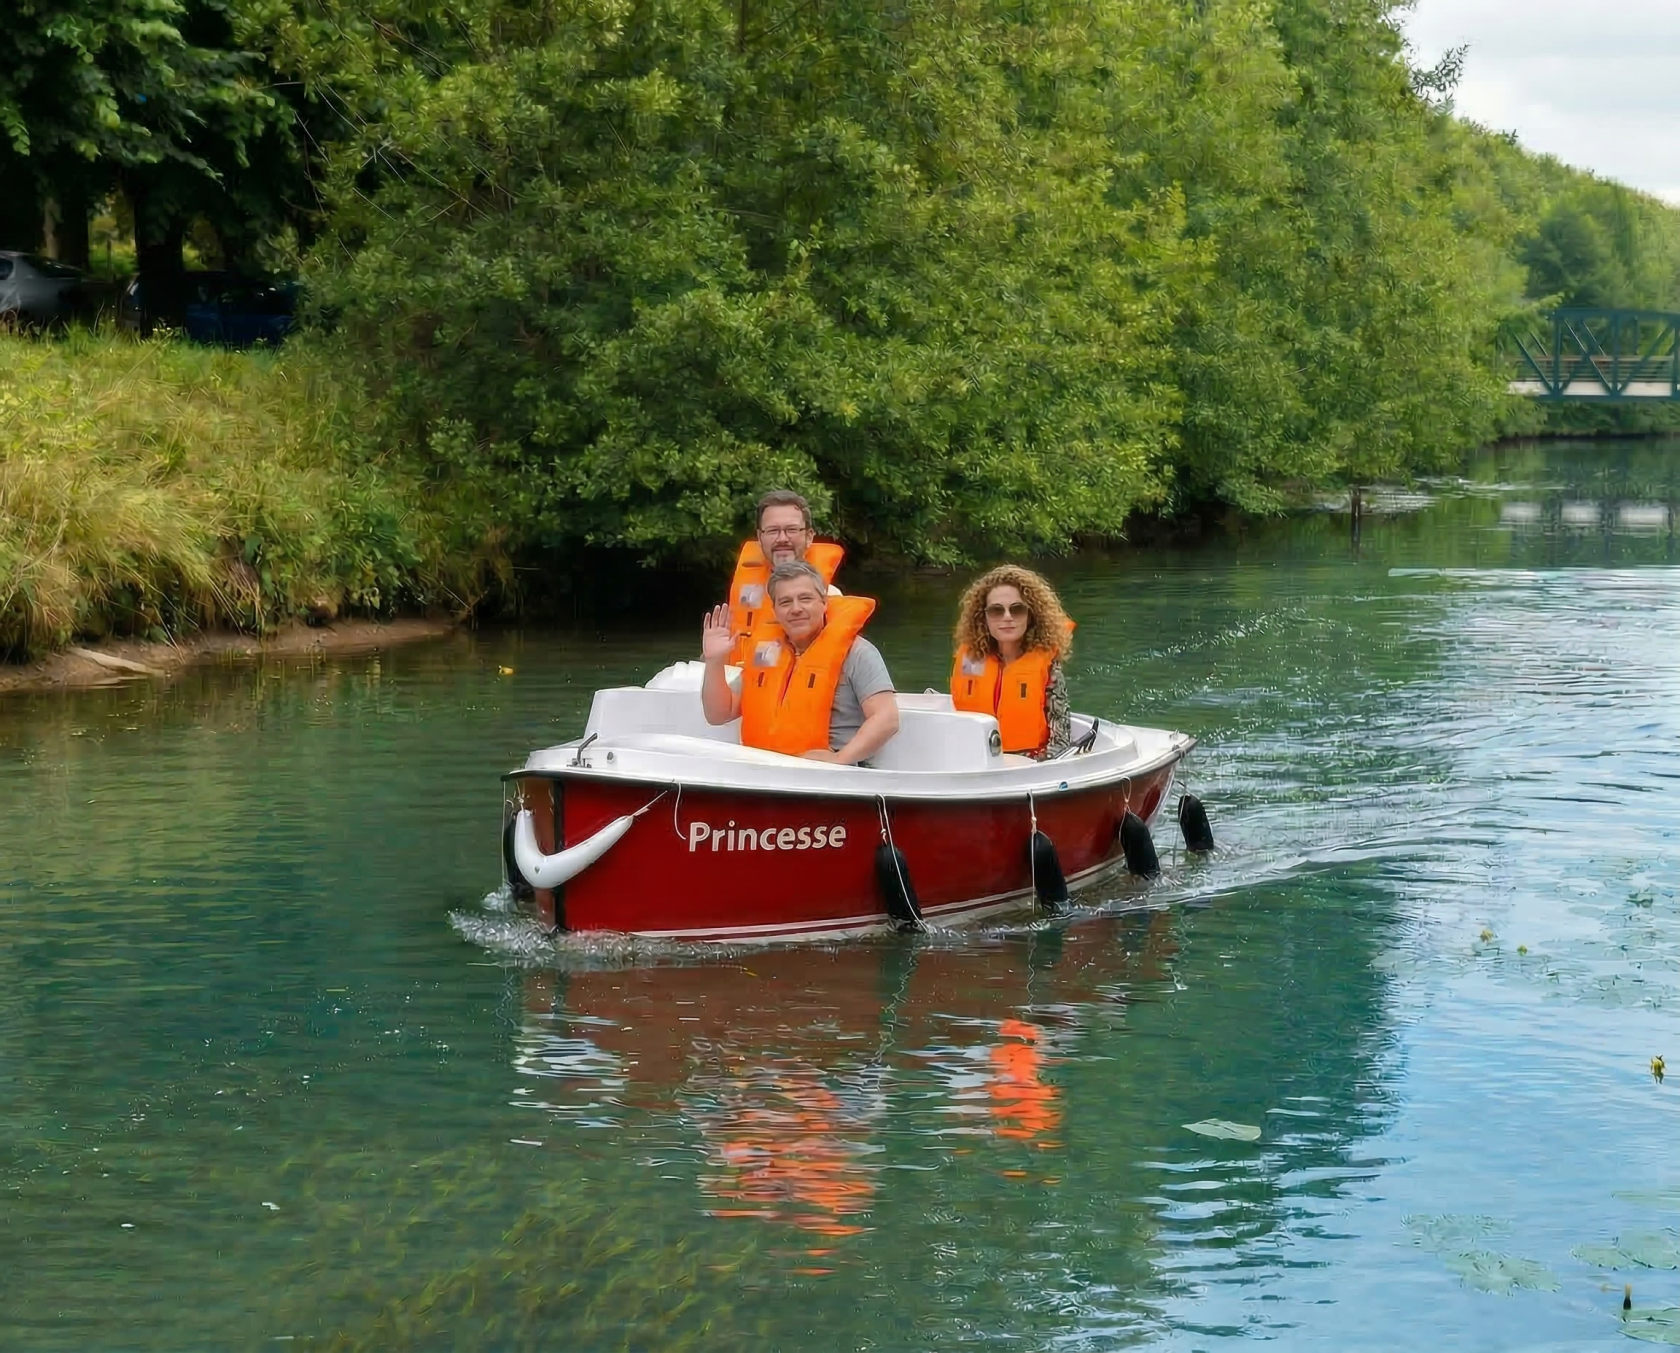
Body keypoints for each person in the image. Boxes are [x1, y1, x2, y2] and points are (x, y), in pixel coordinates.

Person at [702, 560, 899, 763]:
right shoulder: (766, 652)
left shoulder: (858, 653)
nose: (796, 609)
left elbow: (887, 718)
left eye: (805, 599)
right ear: (775, 611)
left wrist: (839, 760)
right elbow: (718, 714)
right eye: (785, 602)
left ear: (824, 603)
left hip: (832, 776)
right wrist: (714, 661)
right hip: (763, 771)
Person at [950, 565, 1073, 759]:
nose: (1007, 617)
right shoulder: (969, 661)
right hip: (973, 761)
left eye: (1017, 610)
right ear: (984, 618)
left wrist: (1023, 765)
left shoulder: (1049, 669)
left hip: (1027, 766)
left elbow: (1061, 743)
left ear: (1030, 615)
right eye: (996, 611)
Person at [726, 490, 844, 666]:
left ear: (809, 536)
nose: (782, 539)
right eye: (773, 530)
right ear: (760, 538)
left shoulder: (830, 597)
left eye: (791, 530)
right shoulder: (742, 596)